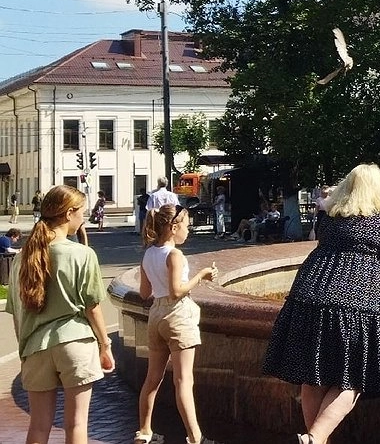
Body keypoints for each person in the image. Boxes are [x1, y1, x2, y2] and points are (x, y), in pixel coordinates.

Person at [262, 164, 380, 444]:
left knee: (313, 375)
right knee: (354, 379)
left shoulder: (329, 217)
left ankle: (313, 440)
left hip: (308, 297)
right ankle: (315, 438)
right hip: (355, 305)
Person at [6, 185, 113, 444]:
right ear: (68, 213)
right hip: (75, 342)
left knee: (39, 426)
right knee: (76, 424)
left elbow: (17, 313)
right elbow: (92, 307)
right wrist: (105, 344)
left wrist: (25, 350)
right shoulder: (82, 254)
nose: (83, 219)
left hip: (36, 347)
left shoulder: (22, 258)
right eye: (81, 213)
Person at [135, 205, 220, 444]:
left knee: (152, 379)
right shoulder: (174, 255)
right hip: (178, 315)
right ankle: (195, 437)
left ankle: (144, 432)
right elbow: (176, 291)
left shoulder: (149, 253)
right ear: (173, 228)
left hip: (156, 315)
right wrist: (201, 275)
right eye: (186, 226)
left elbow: (144, 293)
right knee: (183, 381)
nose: (188, 230)